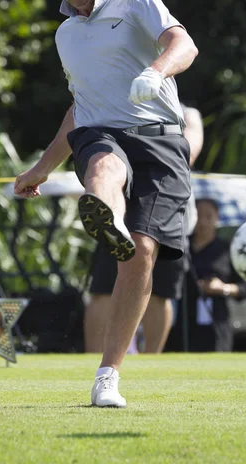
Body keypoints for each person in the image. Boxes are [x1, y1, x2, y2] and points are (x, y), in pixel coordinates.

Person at [14, 0, 198, 407]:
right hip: (102, 134)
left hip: (159, 138)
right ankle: (107, 213)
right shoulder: (65, 34)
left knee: (141, 253)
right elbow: (80, 107)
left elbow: (184, 43)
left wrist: (155, 72)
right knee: (101, 161)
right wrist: (40, 168)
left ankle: (108, 376)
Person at [85, 106, 204, 354]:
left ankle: (151, 361)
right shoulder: (120, 103)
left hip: (169, 208)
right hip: (121, 209)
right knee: (103, 290)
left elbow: (187, 153)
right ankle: (94, 359)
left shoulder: (188, 114)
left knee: (160, 293)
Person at [171, 199, 246, 352]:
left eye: (209, 216)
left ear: (217, 219)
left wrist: (222, 288)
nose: (203, 222)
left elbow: (245, 288)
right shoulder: (180, 247)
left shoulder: (227, 250)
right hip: (182, 322)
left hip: (216, 322)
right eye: (198, 216)